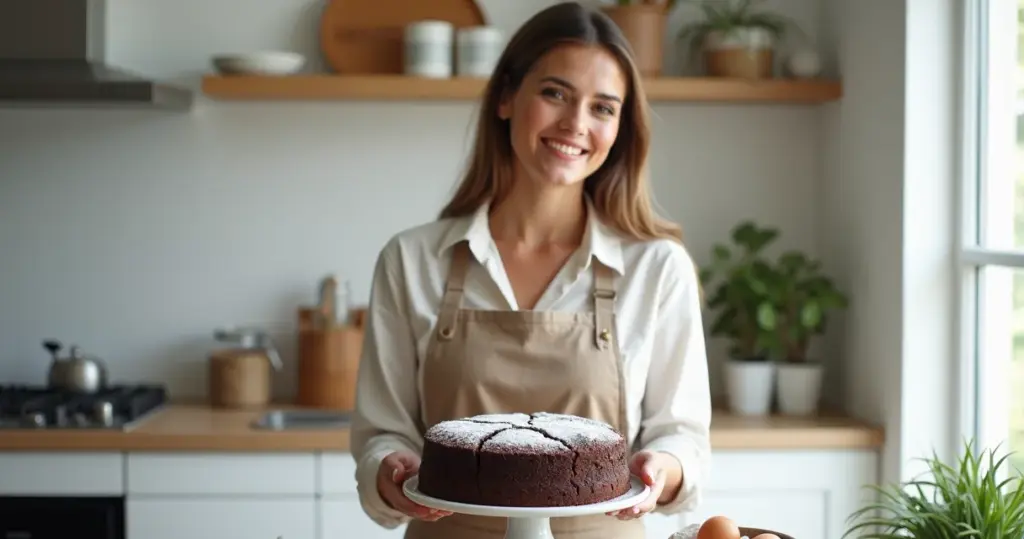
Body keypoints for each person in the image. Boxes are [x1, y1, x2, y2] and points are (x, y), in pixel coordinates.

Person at [350, 2, 712, 538]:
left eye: (603, 108)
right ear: (505, 97)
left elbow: (681, 435)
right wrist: (388, 468)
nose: (576, 124)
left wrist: (664, 468)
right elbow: (382, 431)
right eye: (555, 93)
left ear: (621, 130)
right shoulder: (411, 260)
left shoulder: (656, 267)